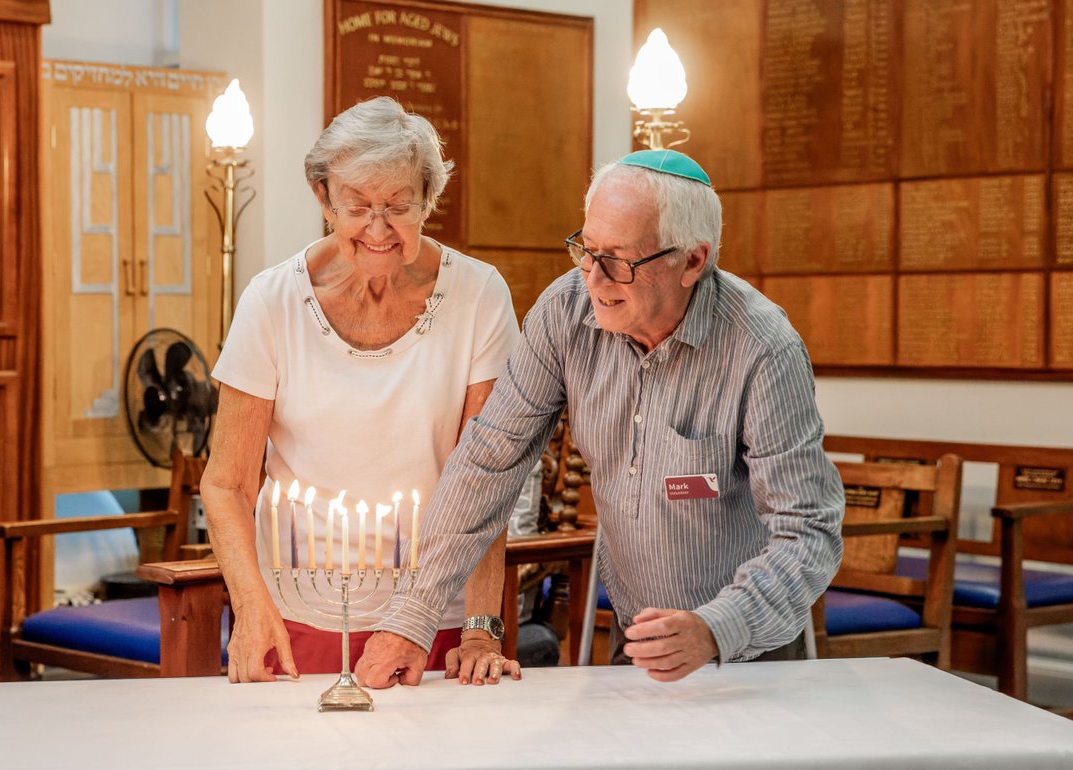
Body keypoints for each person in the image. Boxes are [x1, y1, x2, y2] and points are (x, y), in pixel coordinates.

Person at [355, 149, 845, 687]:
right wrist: (413, 613)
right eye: (586, 251)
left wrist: (715, 627)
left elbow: (808, 531)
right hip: (635, 643)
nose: (594, 278)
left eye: (620, 260)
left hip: (751, 657)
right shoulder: (565, 313)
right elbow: (488, 462)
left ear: (692, 261)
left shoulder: (761, 349)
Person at [201, 96, 522, 685]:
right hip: (296, 613)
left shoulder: (478, 296)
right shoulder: (272, 302)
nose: (378, 229)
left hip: (436, 616)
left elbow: (488, 479)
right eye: (358, 206)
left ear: (429, 198)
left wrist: (481, 627)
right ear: (324, 198)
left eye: (399, 206)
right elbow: (226, 482)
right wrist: (250, 609)